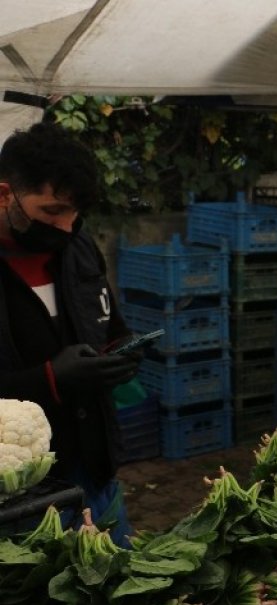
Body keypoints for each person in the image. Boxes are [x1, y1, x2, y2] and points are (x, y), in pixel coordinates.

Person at [0, 123, 139, 544]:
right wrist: (48, 380)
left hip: (94, 471)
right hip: (17, 495)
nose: (65, 227)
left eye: (75, 214)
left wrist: (123, 352)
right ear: (5, 194)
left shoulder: (76, 248)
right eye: (52, 211)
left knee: (121, 588)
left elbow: (108, 324)